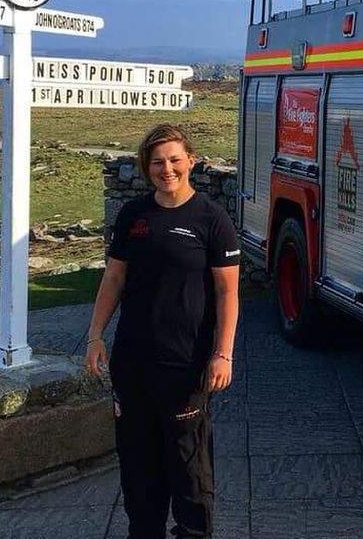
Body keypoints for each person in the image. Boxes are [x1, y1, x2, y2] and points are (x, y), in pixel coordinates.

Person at [84, 124, 240, 539]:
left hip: (186, 366)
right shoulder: (134, 216)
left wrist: (222, 354)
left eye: (174, 159)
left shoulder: (212, 218)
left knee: (189, 468)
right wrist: (96, 335)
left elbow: (228, 293)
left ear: (190, 160)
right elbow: (114, 278)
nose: (166, 169)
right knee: (138, 468)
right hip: (133, 362)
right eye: (157, 162)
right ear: (146, 168)